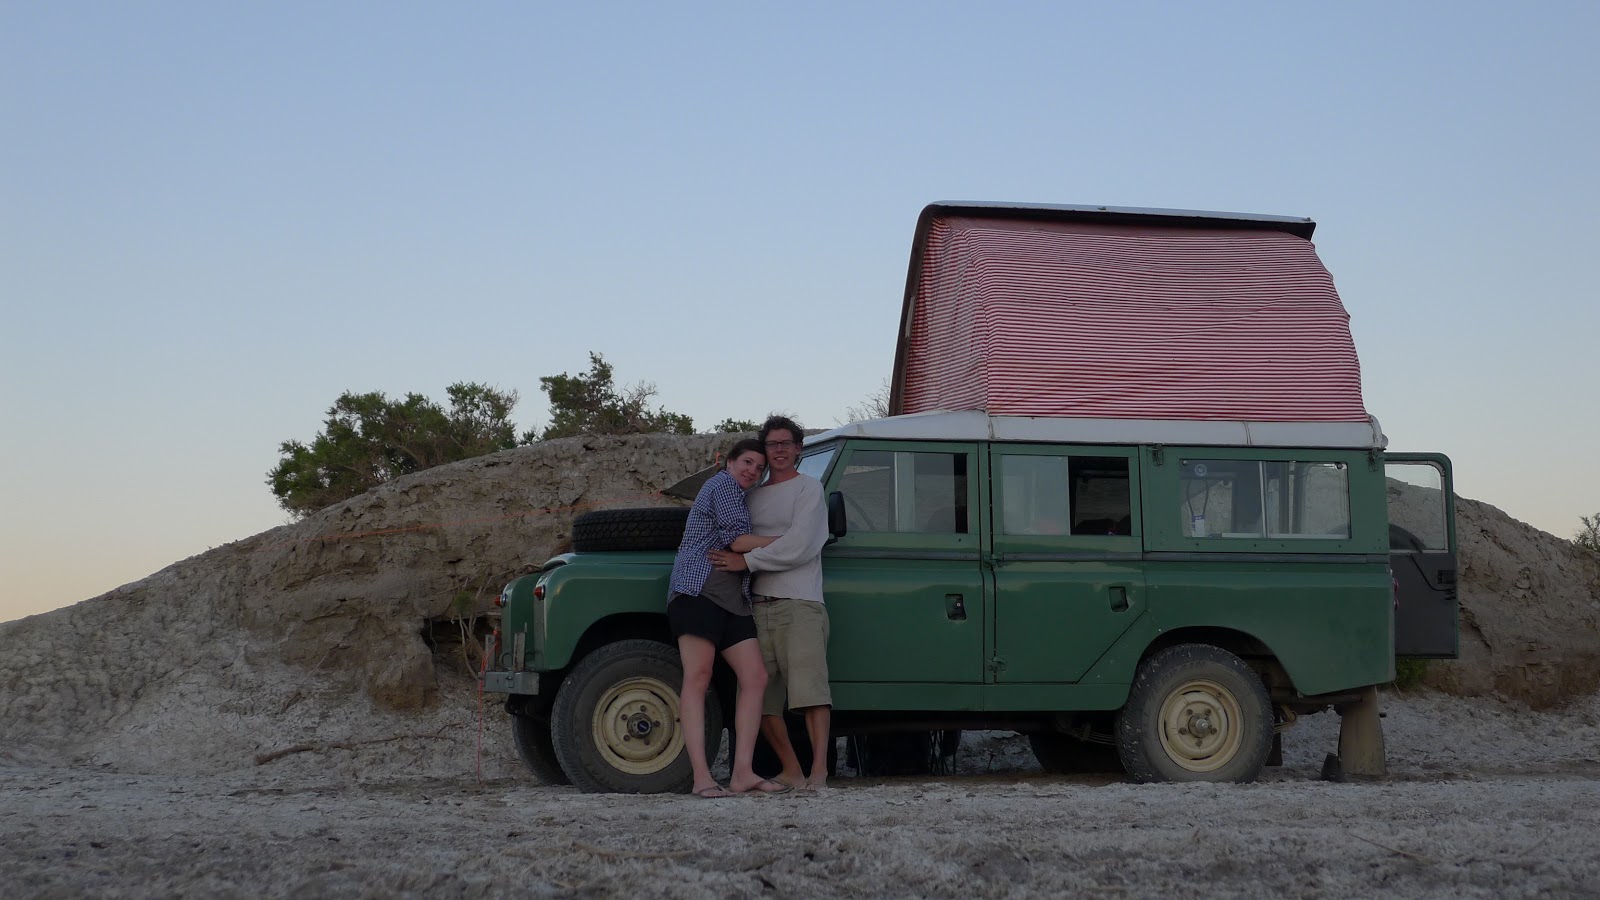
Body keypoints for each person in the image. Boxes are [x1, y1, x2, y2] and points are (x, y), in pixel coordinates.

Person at [710, 416, 832, 790]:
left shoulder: (809, 490)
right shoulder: (750, 495)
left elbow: (800, 547)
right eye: (772, 444)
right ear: (764, 449)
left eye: (786, 443)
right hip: (756, 604)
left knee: (810, 693)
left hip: (800, 601)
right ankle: (792, 770)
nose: (779, 449)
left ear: (798, 449)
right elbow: (732, 537)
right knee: (760, 698)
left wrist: (747, 560)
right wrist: (746, 552)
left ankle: (819, 772)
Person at [668, 437, 790, 798]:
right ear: (730, 463)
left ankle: (742, 774)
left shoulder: (740, 495)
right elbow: (737, 540)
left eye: (759, 467)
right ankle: (702, 778)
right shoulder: (720, 485)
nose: (753, 471)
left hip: (733, 599)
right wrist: (785, 540)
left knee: (755, 676)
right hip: (697, 591)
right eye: (747, 463)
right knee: (698, 677)